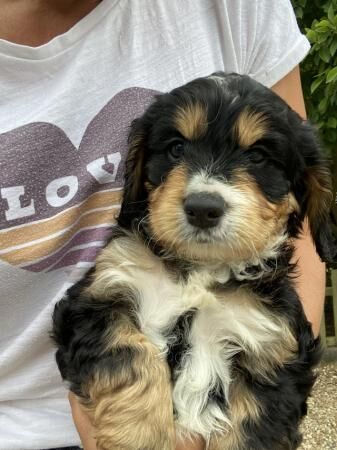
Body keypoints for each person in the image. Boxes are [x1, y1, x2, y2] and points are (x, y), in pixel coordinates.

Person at [0, 1, 326, 449]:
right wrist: (132, 404)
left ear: (304, 190)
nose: (204, 189)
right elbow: (81, 323)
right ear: (139, 172)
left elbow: (281, 390)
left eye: (257, 156)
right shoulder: (126, 268)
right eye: (176, 150)